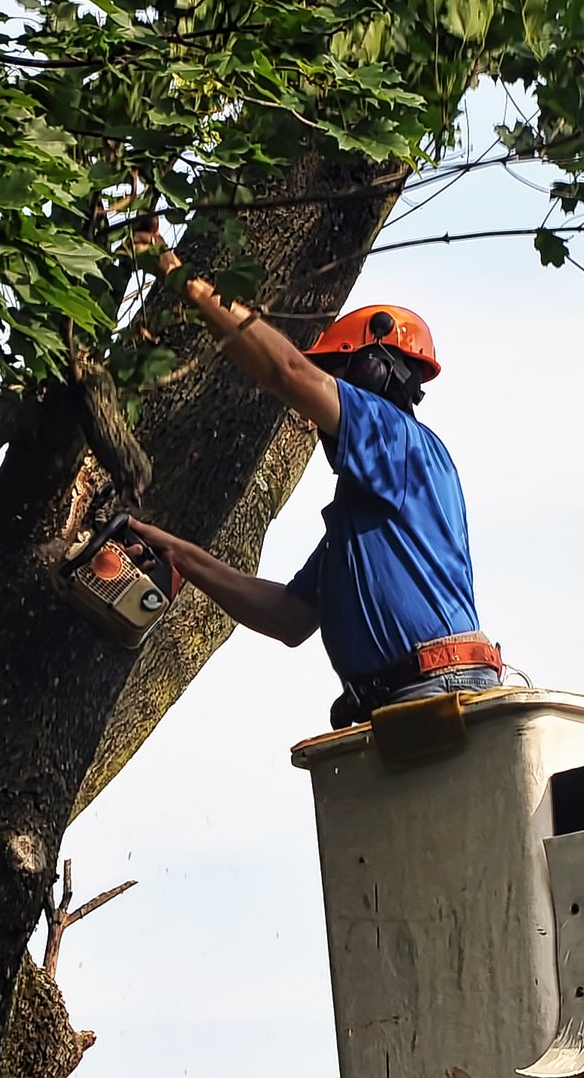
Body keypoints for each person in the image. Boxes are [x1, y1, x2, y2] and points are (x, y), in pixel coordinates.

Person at [126, 248, 499, 728]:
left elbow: (288, 373)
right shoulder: (364, 528)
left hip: (436, 688)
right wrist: (178, 554)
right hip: (403, 700)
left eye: (337, 373)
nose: (319, 399)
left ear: (372, 371)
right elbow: (287, 617)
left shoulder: (398, 440)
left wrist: (180, 277)